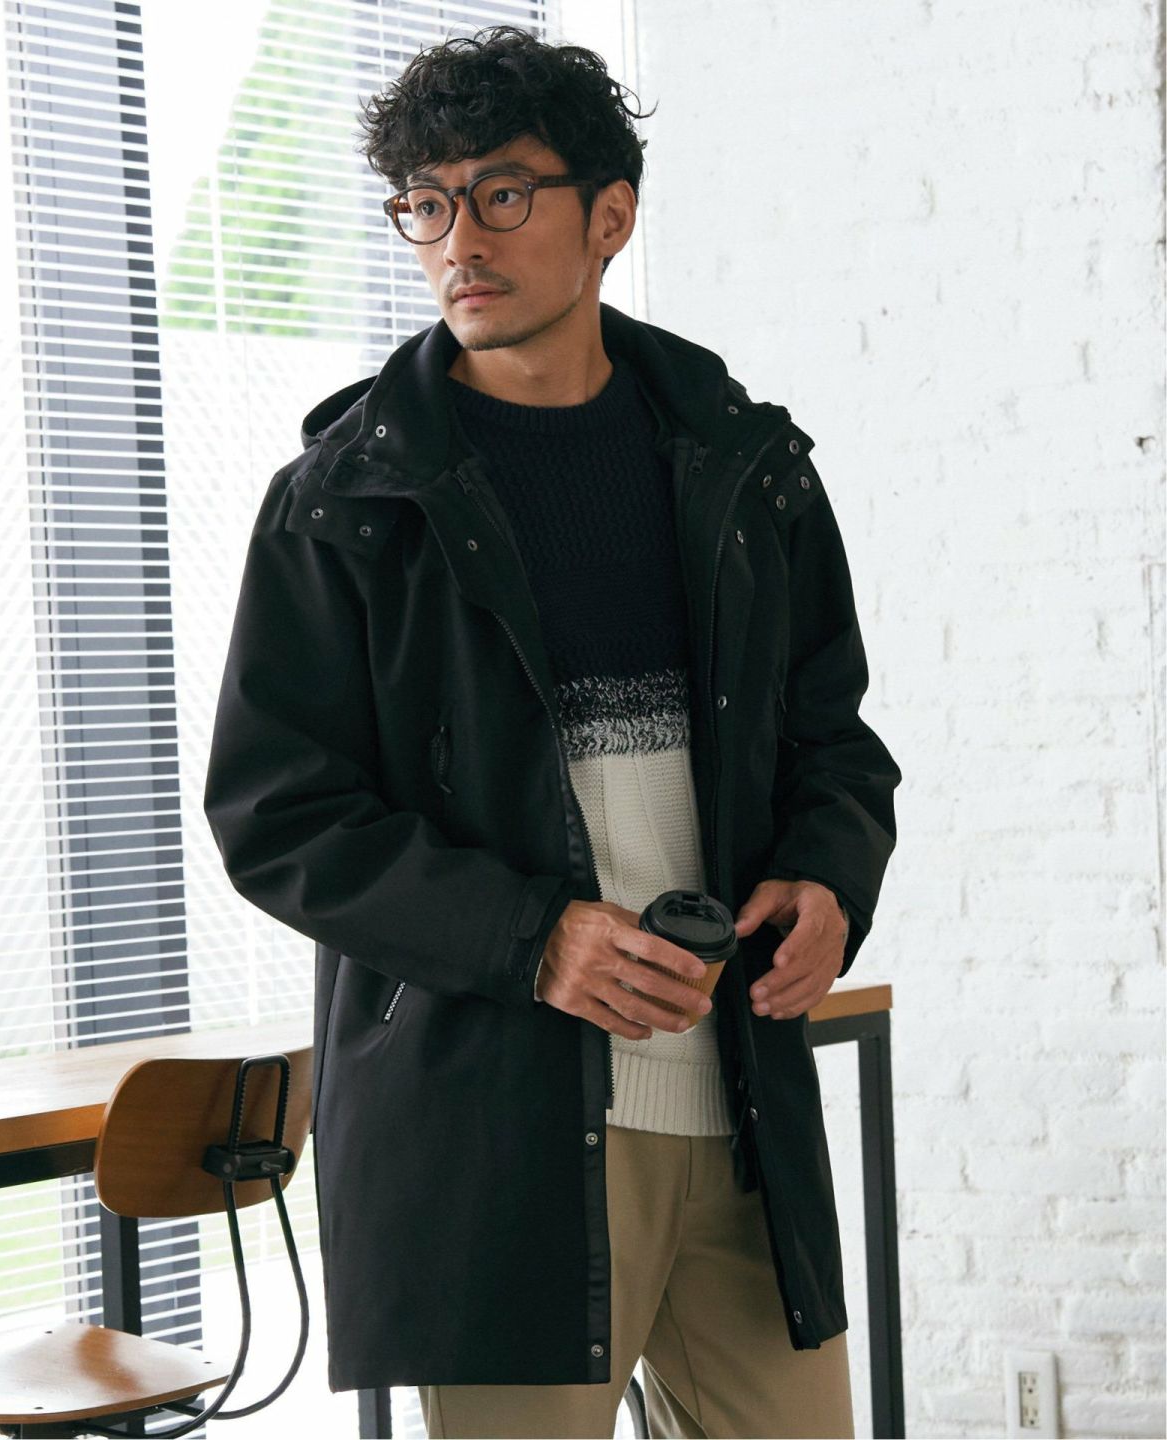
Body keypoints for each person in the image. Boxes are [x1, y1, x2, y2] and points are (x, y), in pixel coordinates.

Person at [203, 23, 901, 1440]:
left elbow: (834, 738)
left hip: (741, 1107)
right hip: (497, 1128)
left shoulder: (746, 467)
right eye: (426, 203)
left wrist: (830, 880)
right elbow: (277, 814)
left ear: (610, 217)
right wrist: (535, 938)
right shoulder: (345, 504)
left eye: (503, 194)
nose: (460, 238)